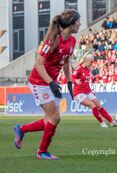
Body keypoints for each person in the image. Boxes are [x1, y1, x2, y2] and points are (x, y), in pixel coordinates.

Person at [13, 9, 81, 160]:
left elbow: (67, 61)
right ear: (70, 24)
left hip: (51, 82)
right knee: (55, 117)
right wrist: (51, 83)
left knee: (50, 119)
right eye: (78, 21)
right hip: (39, 82)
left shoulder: (72, 40)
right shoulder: (52, 41)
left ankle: (21, 129)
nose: (80, 23)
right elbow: (39, 64)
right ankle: (42, 152)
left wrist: (69, 81)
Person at [72, 53, 117, 127]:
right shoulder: (79, 68)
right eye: (91, 62)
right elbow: (72, 77)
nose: (92, 63)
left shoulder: (87, 70)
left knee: (99, 106)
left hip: (87, 91)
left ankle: (112, 121)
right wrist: (75, 80)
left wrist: (91, 91)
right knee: (93, 106)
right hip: (78, 93)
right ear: (87, 61)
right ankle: (102, 123)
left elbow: (86, 83)